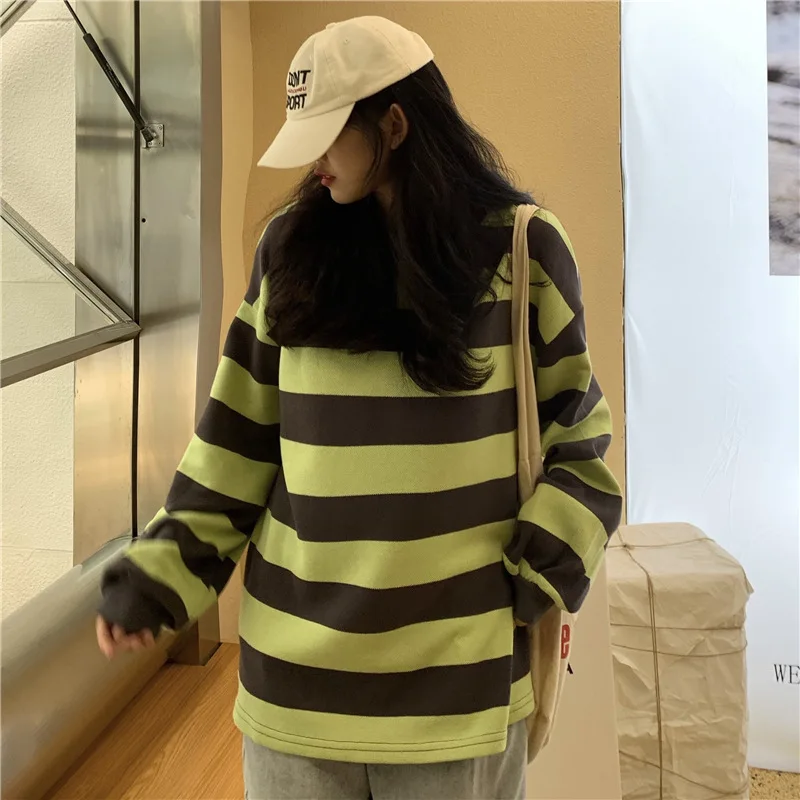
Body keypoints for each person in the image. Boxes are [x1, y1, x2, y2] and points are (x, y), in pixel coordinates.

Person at [96, 16, 622, 800]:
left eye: (327, 137)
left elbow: (581, 441)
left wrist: (535, 575)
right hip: (294, 694)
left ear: (396, 125)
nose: (312, 162)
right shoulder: (288, 250)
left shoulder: (523, 250)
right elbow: (234, 442)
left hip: (459, 693)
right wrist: (160, 575)